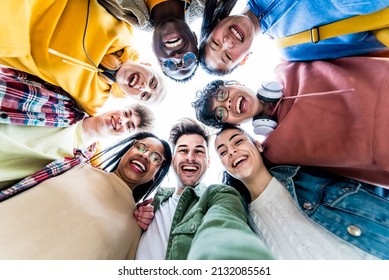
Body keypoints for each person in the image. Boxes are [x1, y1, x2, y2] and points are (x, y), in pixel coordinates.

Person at [192, 50, 389, 187]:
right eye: (221, 113)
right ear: (234, 124)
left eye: (221, 94)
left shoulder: (288, 63)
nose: (226, 103)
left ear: (236, 83)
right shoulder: (275, 153)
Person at [214, 124, 389, 259]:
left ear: (258, 145)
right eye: (222, 152)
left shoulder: (308, 176)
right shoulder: (243, 224)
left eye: (238, 141)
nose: (232, 151)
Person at [0, 132, 172, 259]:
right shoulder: (74, 165)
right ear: (128, 149)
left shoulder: (136, 228)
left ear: (156, 174)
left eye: (156, 158)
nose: (144, 155)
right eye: (140, 147)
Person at [135, 117, 273, 260]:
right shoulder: (151, 202)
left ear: (208, 162)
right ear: (172, 160)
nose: (190, 157)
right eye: (183, 150)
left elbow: (224, 225)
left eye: (199, 151)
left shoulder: (218, 196)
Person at [0, 0, 166, 116]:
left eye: (144, 95)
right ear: (146, 64)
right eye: (152, 82)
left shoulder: (95, 100)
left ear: (132, 97)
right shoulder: (126, 29)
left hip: (9, 37)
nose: (144, 87)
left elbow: (87, 133)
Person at [199, 0, 389, 75]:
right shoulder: (293, 48)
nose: (227, 43)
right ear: (244, 59)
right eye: (228, 56)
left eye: (215, 42)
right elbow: (365, 41)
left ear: (215, 24)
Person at [0, 102, 154, 190]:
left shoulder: (83, 165)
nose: (122, 121)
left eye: (129, 126)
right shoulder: (64, 105)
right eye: (126, 113)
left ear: (125, 136)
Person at [97, 0, 237, 81]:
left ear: (153, 51)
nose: (176, 57)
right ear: (195, 38)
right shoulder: (210, 3)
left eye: (169, 65)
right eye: (188, 59)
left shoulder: (125, 11)